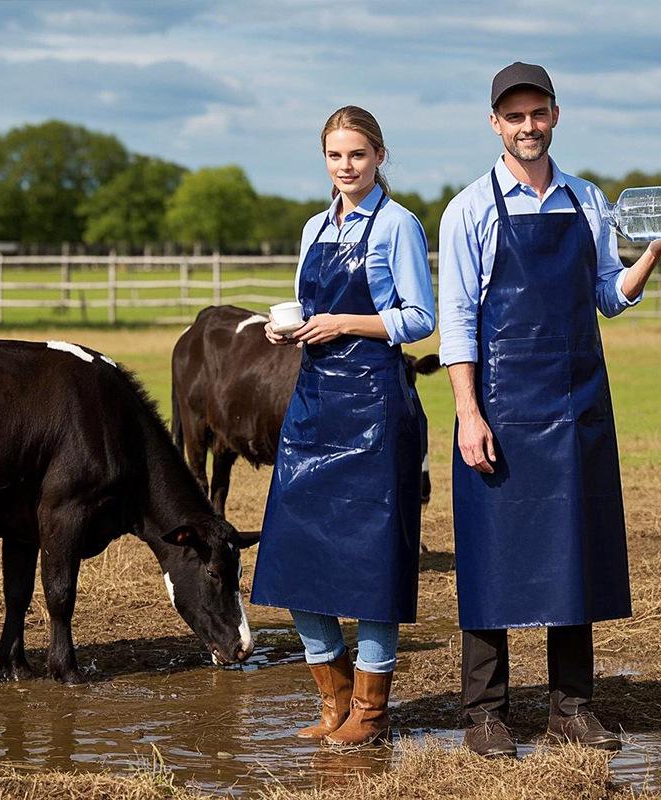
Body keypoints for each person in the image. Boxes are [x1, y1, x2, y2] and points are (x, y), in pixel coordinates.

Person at [437, 62, 661, 759]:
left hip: (576, 405)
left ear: (555, 115)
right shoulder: (469, 208)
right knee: (491, 557)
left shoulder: (589, 199)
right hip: (498, 409)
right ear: (495, 125)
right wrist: (469, 414)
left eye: (538, 113)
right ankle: (486, 714)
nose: (527, 127)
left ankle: (571, 708)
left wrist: (650, 252)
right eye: (514, 116)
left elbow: (607, 294)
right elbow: (459, 321)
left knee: (572, 555)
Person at [251, 106, 436, 747]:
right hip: (313, 406)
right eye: (335, 155)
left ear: (379, 156)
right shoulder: (313, 227)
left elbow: (419, 319)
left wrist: (344, 324)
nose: (346, 166)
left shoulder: (398, 225)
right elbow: (308, 305)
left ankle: (372, 711)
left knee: (373, 563)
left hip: (376, 410)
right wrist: (288, 326)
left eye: (357, 154)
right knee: (295, 555)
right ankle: (331, 701)